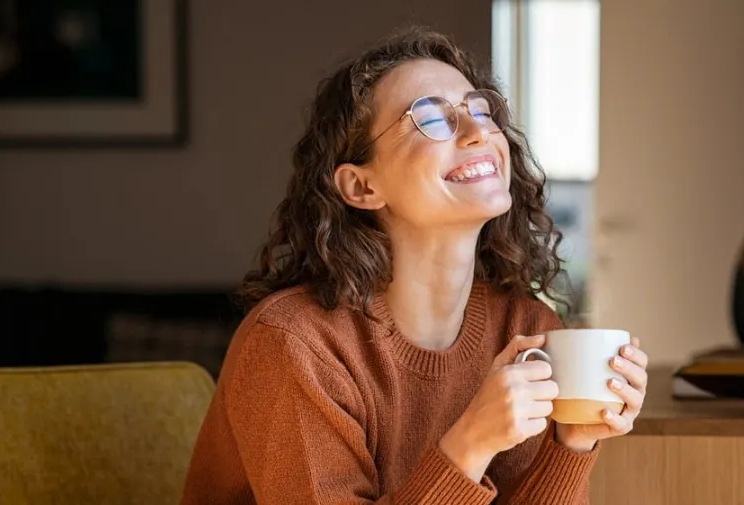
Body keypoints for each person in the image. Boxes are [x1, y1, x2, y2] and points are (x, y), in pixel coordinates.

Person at [180, 27, 649, 505]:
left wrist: (572, 443)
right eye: (430, 118)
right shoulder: (295, 346)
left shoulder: (525, 329)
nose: (478, 133)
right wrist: (470, 445)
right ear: (362, 187)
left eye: (480, 110)